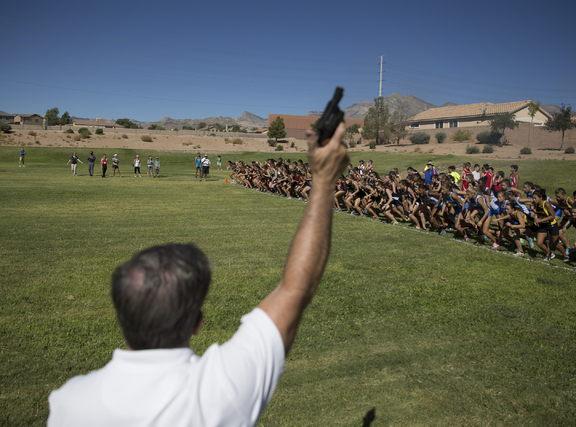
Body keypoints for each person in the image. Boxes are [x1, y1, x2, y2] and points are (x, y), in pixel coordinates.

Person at [47, 122, 350, 426]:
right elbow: (294, 291)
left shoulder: (67, 403)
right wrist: (323, 181)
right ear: (196, 323)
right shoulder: (218, 391)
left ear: (121, 314)